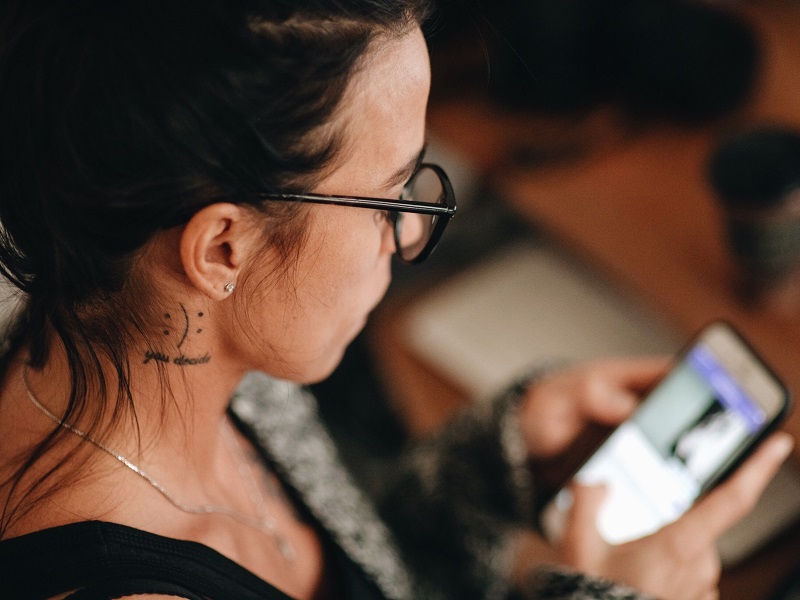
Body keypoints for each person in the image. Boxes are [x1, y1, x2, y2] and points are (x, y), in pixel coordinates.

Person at [0, 1, 792, 599]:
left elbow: (367, 574)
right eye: (388, 199)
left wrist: (490, 467)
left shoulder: (186, 345)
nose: (408, 237)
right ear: (223, 249)